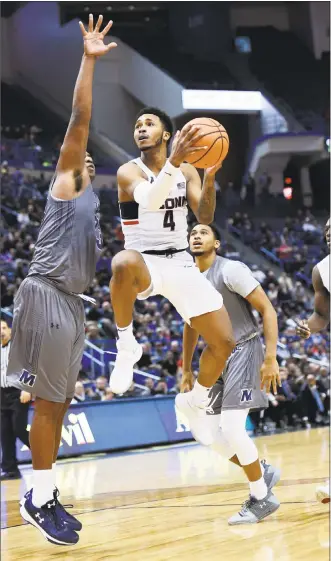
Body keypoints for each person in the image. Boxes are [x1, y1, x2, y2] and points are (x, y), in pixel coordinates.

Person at [6, 15, 117, 546]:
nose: (84, 156)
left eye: (89, 157)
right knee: (49, 404)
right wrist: (88, 60)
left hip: (73, 305)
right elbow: (79, 117)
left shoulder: (92, 204)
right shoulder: (68, 185)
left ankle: (46, 492)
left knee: (62, 401)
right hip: (46, 292)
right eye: (78, 154)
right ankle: (37, 497)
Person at [109, 108, 236, 445]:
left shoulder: (188, 171)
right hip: (144, 262)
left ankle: (195, 400)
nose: (141, 129)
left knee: (224, 343)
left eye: (149, 124)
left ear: (166, 134)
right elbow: (150, 200)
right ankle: (126, 345)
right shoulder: (127, 172)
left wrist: (208, 176)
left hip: (180, 261)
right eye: (137, 125)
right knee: (121, 262)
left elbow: (205, 216)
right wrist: (175, 161)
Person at [180, 223, 281, 525]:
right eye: (192, 233)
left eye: (203, 232)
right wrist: (186, 368)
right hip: (215, 356)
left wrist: (271, 356)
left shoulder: (231, 270)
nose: (196, 236)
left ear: (218, 244)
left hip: (244, 350)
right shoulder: (187, 280)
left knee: (233, 428)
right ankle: (260, 471)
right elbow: (190, 326)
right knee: (207, 435)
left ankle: (261, 497)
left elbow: (268, 310)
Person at [296, 218, 330, 504]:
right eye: (327, 231)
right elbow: (321, 315)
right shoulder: (322, 270)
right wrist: (309, 326)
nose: (330, 234)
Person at [1, 319, 31, 480]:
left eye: (4, 328)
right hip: (2, 394)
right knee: (5, 433)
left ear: (10, 330)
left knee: (19, 428)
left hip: (18, 392)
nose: (2, 331)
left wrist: (27, 389)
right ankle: (10, 469)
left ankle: (43, 454)